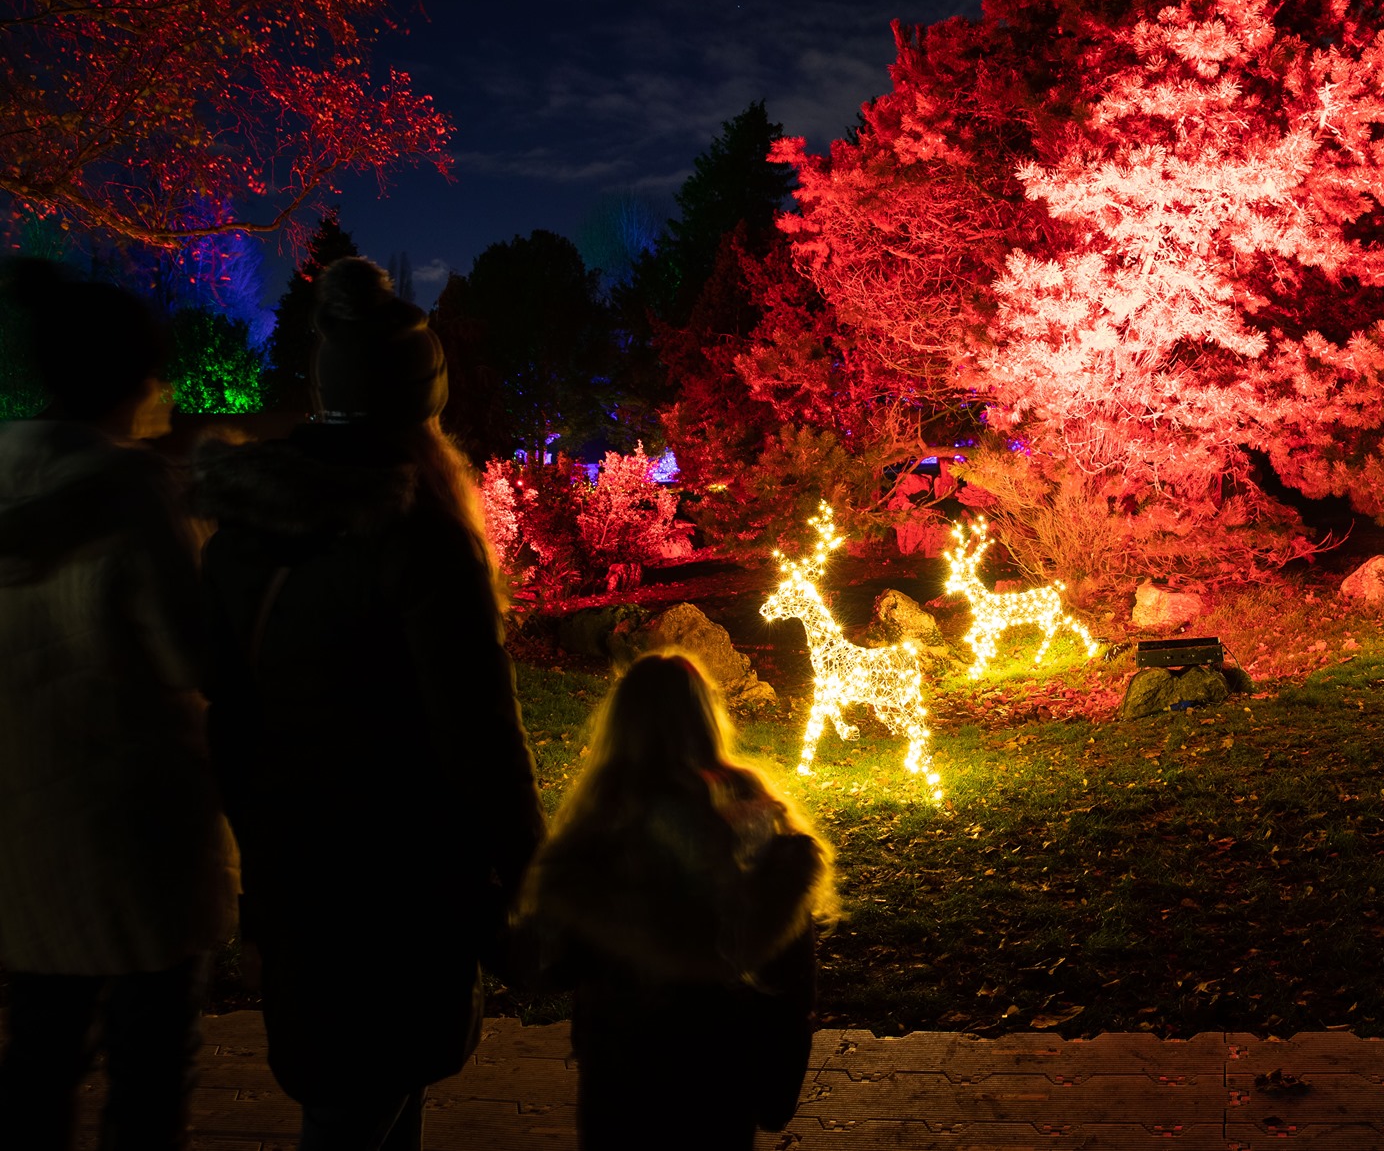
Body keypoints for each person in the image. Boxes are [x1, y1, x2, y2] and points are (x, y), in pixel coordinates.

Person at [192, 258, 543, 1151]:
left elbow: (225, 713)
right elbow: (479, 737)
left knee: (355, 1089)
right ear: (422, 399)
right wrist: (531, 871)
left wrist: (261, 837)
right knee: (362, 1102)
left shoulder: (246, 531)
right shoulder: (421, 532)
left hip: (295, 868)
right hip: (401, 882)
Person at [0, 259, 236, 1150]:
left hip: (25, 832)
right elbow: (189, 653)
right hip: (135, 839)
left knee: (37, 1062)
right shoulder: (132, 493)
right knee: (146, 1075)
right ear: (126, 380)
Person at [519, 653, 834, 1150]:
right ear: (708, 717)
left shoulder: (603, 824)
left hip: (622, 1078)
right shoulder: (754, 812)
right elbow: (791, 971)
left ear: (621, 724)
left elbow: (555, 964)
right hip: (719, 1071)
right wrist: (779, 1081)